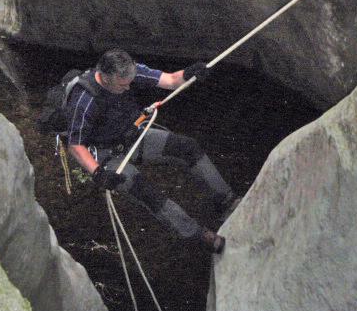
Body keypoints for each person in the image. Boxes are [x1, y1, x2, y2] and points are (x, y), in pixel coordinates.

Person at [65, 48, 238, 253]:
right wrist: (98, 173)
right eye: (123, 85)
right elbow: (76, 144)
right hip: (103, 153)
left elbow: (171, 80)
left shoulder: (129, 73)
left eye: (130, 81)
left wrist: (189, 73)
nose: (129, 87)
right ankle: (197, 235)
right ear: (105, 78)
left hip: (131, 135)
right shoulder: (84, 99)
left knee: (187, 147)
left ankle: (226, 200)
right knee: (144, 190)